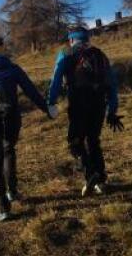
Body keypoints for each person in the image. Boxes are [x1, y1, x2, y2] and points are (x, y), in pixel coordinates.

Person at [0, 37, 54, 222]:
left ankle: (3, 208)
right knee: (9, 151)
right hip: (11, 115)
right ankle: (12, 192)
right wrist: (46, 109)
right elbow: (30, 90)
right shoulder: (13, 69)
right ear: (2, 51)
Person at [48, 26, 123, 197]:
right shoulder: (100, 54)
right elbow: (112, 83)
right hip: (99, 103)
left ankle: (91, 173)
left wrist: (51, 102)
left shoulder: (66, 54)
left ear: (72, 39)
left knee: (75, 141)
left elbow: (56, 79)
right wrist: (112, 110)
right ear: (87, 38)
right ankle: (101, 181)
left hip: (78, 103)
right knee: (94, 140)